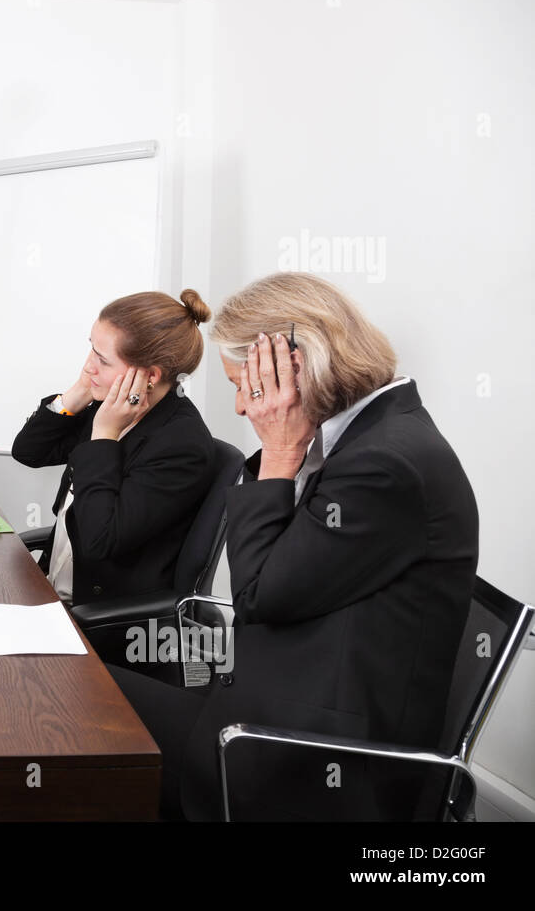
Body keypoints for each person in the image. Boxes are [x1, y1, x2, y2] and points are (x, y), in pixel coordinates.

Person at [109, 272, 479, 820]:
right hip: (278, 706)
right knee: (76, 689)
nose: (240, 408)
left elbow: (261, 595)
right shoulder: (369, 436)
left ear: (294, 369)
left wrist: (280, 450)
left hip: (302, 757)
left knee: (72, 711)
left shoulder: (385, 463)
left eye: (244, 385)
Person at [11, 289, 217, 606]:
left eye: (102, 360)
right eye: (92, 349)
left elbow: (99, 539)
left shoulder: (181, 446)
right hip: (51, 594)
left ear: (149, 376)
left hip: (98, 621)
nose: (88, 366)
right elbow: (29, 451)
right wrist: (77, 394)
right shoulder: (108, 402)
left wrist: (105, 434)